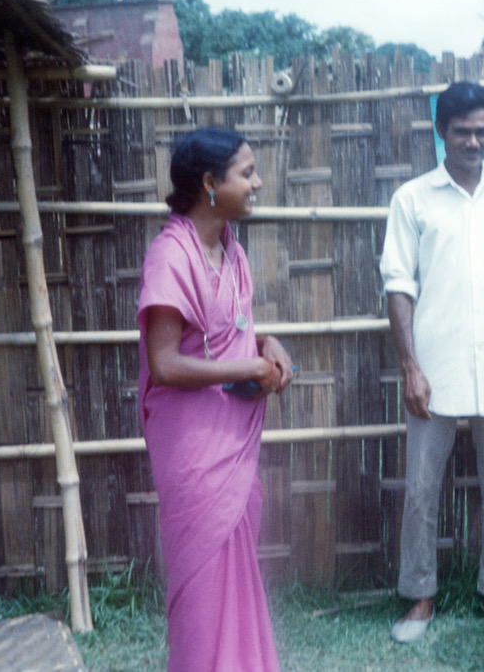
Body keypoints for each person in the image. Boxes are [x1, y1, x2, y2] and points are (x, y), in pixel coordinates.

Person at [380, 80, 484, 643]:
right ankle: (420, 597)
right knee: (423, 487)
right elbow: (398, 286)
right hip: (435, 366)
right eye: (462, 131)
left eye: (482, 131)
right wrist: (410, 365)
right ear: (441, 132)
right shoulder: (413, 199)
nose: (474, 142)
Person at [137, 125, 295, 672]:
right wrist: (245, 363)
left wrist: (266, 347)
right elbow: (165, 363)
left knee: (236, 567)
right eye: (246, 173)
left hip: (233, 438)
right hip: (192, 446)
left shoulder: (231, 250)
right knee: (203, 584)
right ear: (209, 182)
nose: (257, 183)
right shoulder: (170, 255)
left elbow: (232, 333)